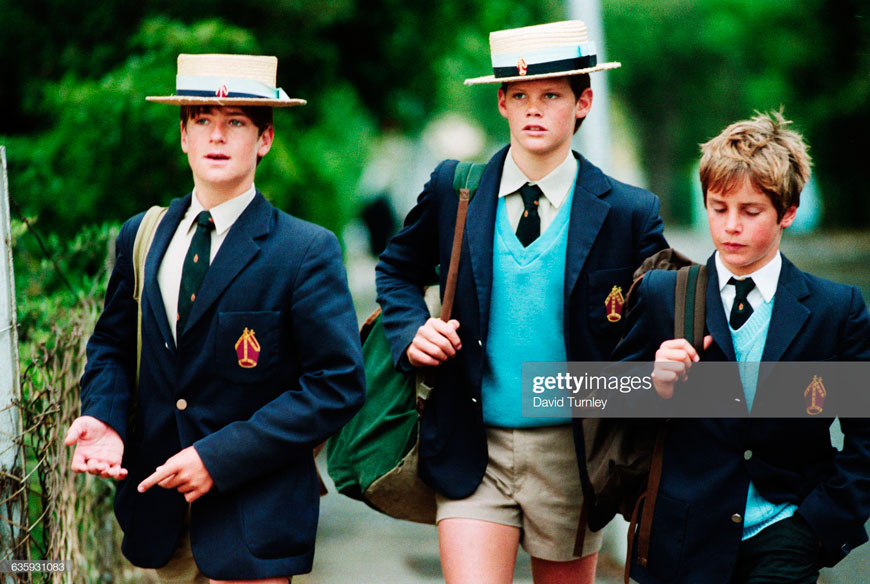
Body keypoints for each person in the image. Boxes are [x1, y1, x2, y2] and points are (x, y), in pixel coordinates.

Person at [375, 20, 668, 584]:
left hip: (573, 454)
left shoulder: (630, 212)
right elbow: (396, 269)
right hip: (470, 443)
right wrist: (412, 329)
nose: (535, 109)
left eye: (552, 96)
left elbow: (653, 327)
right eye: (520, 96)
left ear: (582, 103)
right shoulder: (455, 189)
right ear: (503, 104)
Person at [64, 53, 365, 584]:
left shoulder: (304, 250)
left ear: (264, 139)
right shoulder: (143, 236)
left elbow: (336, 385)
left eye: (236, 123)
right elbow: (112, 342)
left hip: (256, 514)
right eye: (202, 120)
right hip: (158, 510)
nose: (217, 136)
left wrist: (217, 458)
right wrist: (105, 416)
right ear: (184, 136)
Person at [613, 111, 870, 583]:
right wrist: (652, 383)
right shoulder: (661, 294)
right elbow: (611, 406)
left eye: (750, 212)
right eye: (718, 207)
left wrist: (819, 524)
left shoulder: (837, 309)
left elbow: (866, 432)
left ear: (787, 212)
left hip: (787, 535)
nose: (731, 226)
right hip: (681, 539)